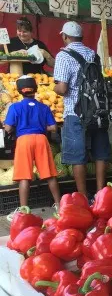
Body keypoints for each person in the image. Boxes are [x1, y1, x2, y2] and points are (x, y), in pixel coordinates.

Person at [54, 21, 110, 197]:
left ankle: (83, 197)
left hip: (75, 112)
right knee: (101, 153)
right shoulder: (92, 54)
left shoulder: (63, 56)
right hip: (97, 110)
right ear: (81, 37)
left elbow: (62, 89)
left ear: (65, 36)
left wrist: (53, 87)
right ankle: (101, 194)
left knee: (78, 156)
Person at [3, 76, 60, 209]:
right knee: (50, 174)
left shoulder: (15, 107)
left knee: (24, 177)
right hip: (41, 139)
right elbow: (53, 128)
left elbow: (8, 128)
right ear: (35, 89)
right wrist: (39, 127)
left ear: (20, 91)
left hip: (24, 141)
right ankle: (58, 204)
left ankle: (24, 209)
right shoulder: (44, 107)